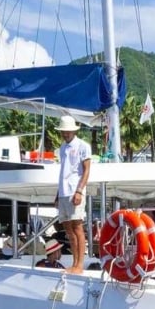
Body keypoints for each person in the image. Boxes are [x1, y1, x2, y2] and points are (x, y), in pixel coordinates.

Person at [54, 115, 92, 274]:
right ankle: (74, 263)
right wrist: (57, 194)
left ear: (73, 130)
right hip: (63, 192)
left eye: (68, 131)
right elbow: (63, 171)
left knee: (77, 228)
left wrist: (79, 191)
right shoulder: (62, 148)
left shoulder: (83, 146)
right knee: (68, 230)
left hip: (74, 191)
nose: (65, 133)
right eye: (63, 131)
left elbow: (86, 170)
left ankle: (79, 265)